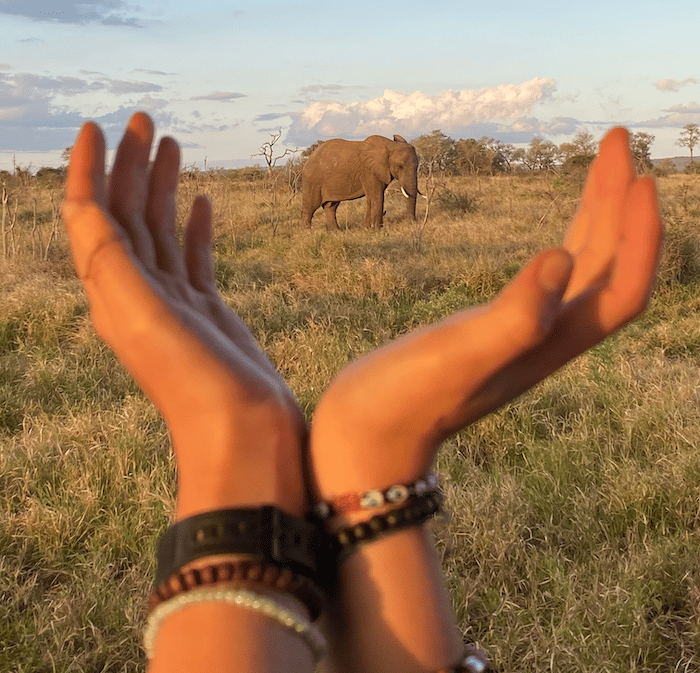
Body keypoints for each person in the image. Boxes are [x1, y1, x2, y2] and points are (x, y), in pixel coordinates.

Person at [62, 112, 663, 673]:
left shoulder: (389, 160)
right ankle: (317, 223)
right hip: (332, 179)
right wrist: (373, 468)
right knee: (327, 207)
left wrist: (228, 445)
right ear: (388, 162)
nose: (404, 176)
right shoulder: (359, 161)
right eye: (402, 170)